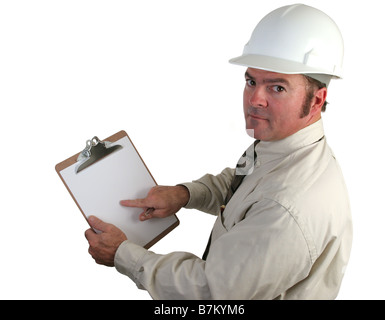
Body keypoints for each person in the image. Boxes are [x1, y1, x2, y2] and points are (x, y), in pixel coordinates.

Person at [84, 4, 352, 300]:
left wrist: (123, 254)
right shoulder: (279, 146)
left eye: (277, 88)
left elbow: (212, 291)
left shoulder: (289, 206)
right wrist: (185, 194)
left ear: (317, 100)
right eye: (251, 81)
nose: (255, 100)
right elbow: (240, 184)